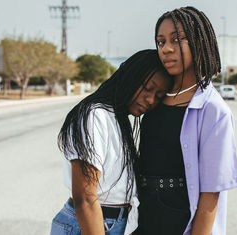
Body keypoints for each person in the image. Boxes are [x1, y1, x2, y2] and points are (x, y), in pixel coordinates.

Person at [137, 7, 237, 235]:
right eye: (161, 41)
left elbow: (211, 192)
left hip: (179, 222)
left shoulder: (213, 109)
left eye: (177, 40)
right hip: (145, 216)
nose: (166, 48)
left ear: (199, 43)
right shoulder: (157, 95)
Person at [51, 49, 172, 235]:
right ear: (131, 77)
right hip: (90, 225)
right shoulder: (95, 115)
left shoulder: (117, 117)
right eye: (148, 88)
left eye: (158, 96)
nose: (150, 100)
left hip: (112, 223)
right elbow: (84, 198)